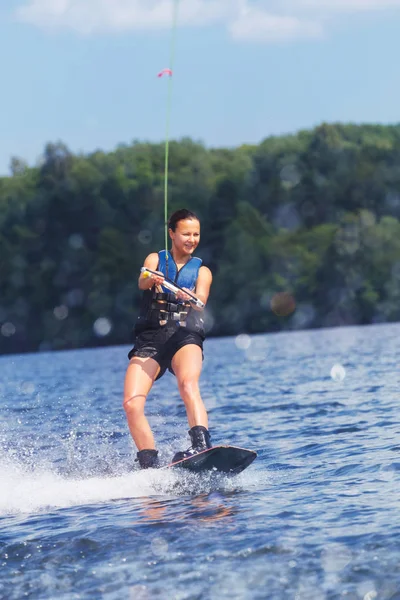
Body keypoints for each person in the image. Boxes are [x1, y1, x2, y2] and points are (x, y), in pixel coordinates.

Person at [123, 209, 213, 469]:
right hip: (151, 338)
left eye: (196, 234)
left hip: (185, 335)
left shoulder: (202, 271)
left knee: (188, 384)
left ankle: (200, 444)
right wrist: (151, 277)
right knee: (131, 404)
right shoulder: (155, 259)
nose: (192, 239)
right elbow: (142, 281)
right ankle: (149, 462)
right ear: (171, 233)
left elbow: (202, 301)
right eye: (186, 233)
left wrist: (191, 297)